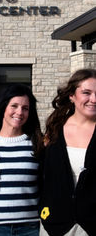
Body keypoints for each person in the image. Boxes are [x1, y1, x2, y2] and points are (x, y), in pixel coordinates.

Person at [0, 84, 44, 236]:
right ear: (3, 108)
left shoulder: (37, 144)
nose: (19, 112)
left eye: (25, 108)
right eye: (14, 106)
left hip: (30, 228)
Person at [39, 68, 96, 236]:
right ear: (71, 95)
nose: (93, 99)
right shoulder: (54, 130)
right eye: (86, 92)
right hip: (56, 224)